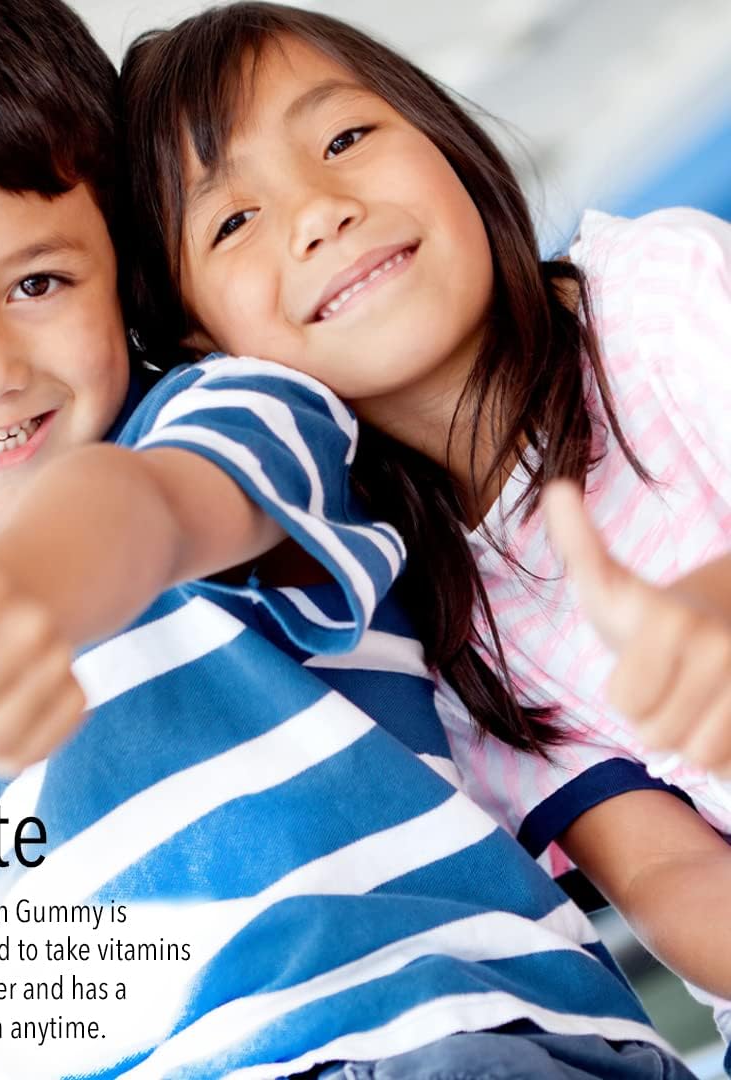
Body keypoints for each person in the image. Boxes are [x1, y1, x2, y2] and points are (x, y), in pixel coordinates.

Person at [0, 1, 700, 1077]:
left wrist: (33, 590)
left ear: (124, 272)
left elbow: (159, 510)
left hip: (435, 1038)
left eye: (39, 282)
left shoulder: (231, 412)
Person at [115, 0, 731, 1054]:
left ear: (442, 136)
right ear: (200, 340)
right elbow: (669, 871)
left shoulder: (662, 297)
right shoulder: (433, 635)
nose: (319, 210)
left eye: (346, 138)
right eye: (232, 220)